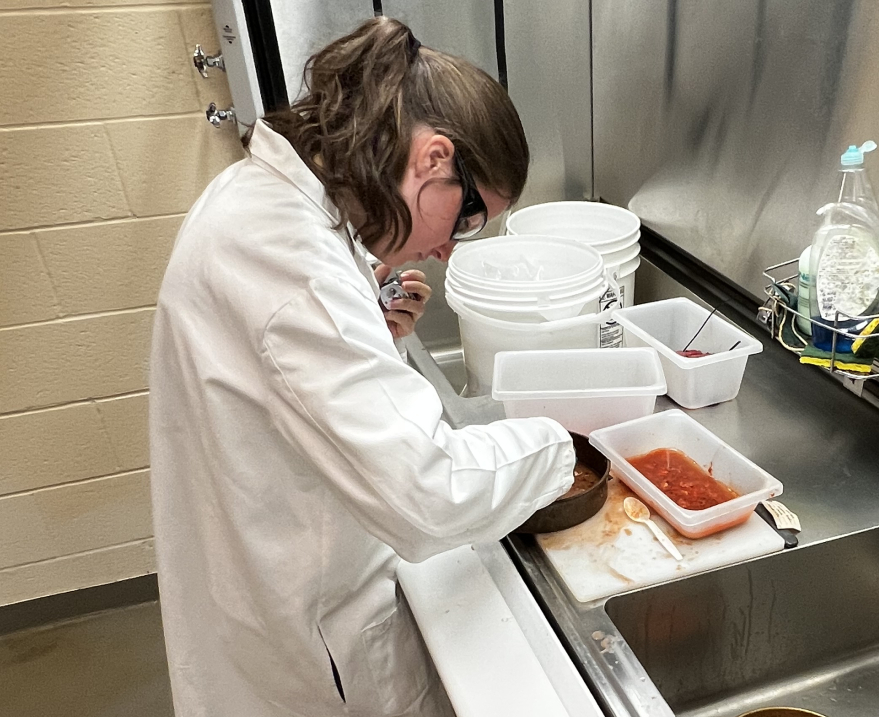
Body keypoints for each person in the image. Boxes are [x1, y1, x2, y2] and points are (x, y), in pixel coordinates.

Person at [149, 17, 574, 717]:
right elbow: (427, 494)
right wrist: (558, 444)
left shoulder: (259, 200)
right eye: (467, 219)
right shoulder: (300, 275)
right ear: (435, 159)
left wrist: (367, 333)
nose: (446, 251)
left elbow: (278, 373)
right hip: (308, 637)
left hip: (260, 582)